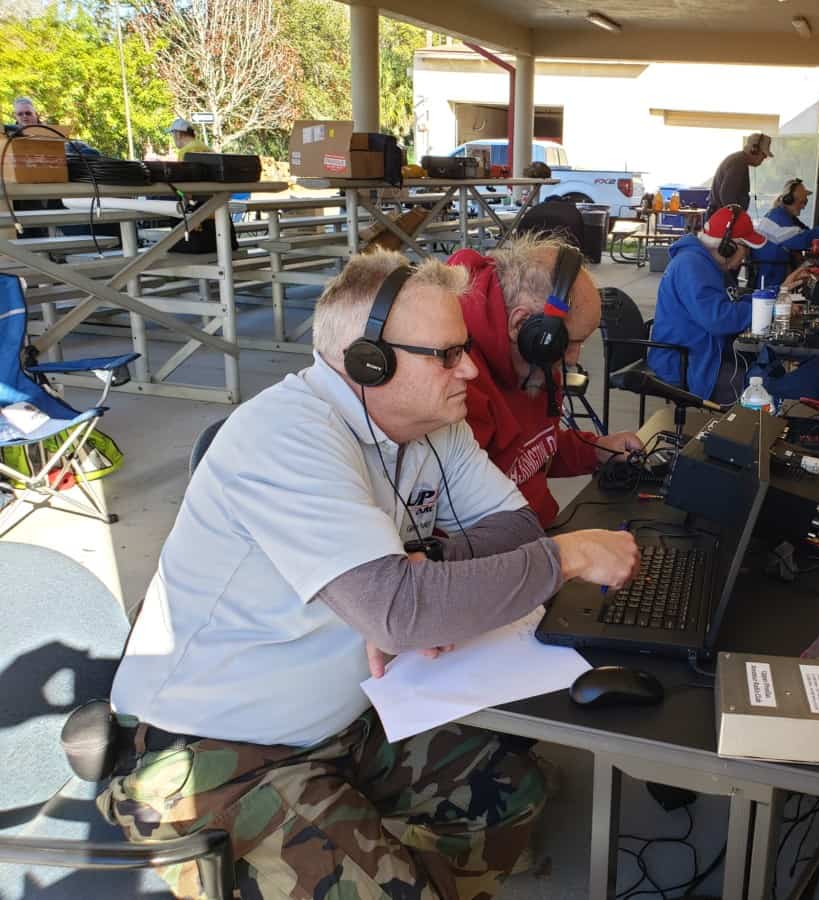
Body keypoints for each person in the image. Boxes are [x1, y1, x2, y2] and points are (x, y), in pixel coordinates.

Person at [98, 250, 639, 900]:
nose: (470, 369)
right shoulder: (286, 436)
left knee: (511, 792)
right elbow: (404, 614)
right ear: (367, 363)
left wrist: (424, 571)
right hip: (212, 749)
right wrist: (566, 558)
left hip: (341, 720)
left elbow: (516, 528)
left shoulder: (433, 424)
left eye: (466, 349)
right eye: (446, 355)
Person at [450, 235, 643, 527]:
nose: (573, 358)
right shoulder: (458, 386)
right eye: (569, 342)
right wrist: (561, 551)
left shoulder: (535, 364)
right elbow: (466, 532)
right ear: (522, 325)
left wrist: (597, 449)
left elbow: (533, 451)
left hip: (538, 536)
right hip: (506, 546)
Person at [646, 205, 767, 404]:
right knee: (762, 389)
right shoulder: (691, 265)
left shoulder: (707, 264)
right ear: (728, 246)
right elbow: (718, 319)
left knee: (763, 370)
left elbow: (731, 301)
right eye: (745, 249)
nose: (746, 257)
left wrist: (768, 299)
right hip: (685, 361)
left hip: (702, 352)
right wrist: (765, 310)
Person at [752, 179, 819, 290]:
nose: (803, 206)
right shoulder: (778, 217)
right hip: (770, 278)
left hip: (776, 270)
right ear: (789, 200)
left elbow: (807, 233)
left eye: (806, 202)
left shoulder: (783, 215)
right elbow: (804, 239)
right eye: (802, 202)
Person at [705, 132, 774, 218]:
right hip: (723, 218)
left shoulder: (739, 160)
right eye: (764, 154)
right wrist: (737, 218)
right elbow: (727, 196)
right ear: (754, 150)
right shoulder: (738, 163)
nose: (764, 158)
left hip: (721, 215)